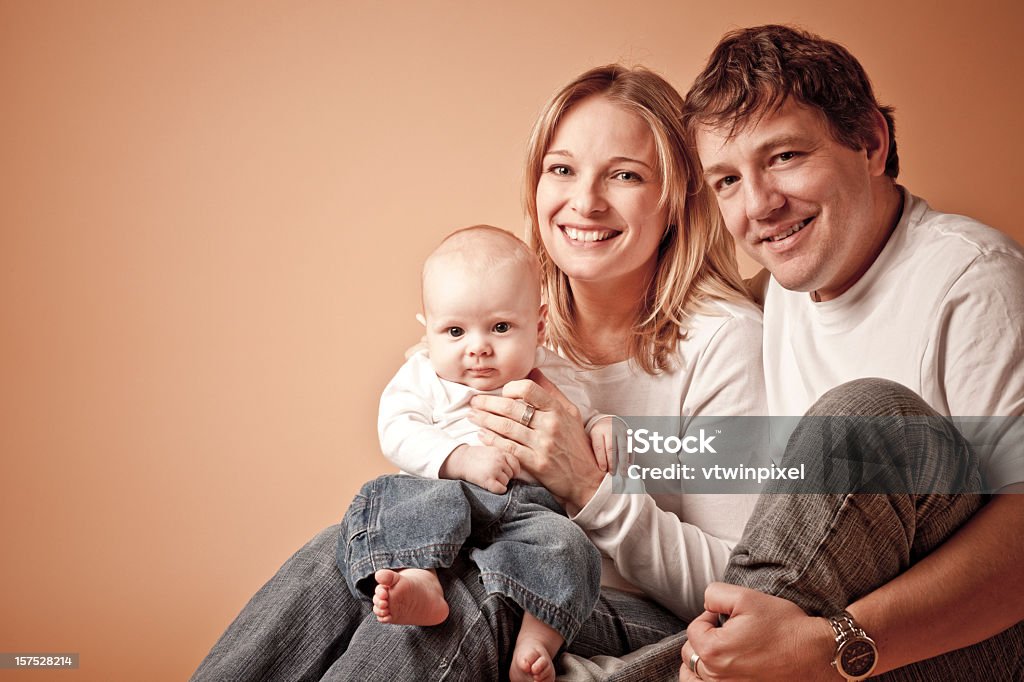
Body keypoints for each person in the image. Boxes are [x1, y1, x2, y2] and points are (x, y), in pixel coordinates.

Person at [191, 64, 766, 682]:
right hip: (503, 558)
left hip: (640, 615)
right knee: (352, 551)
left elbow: (735, 585)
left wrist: (589, 486)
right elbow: (420, 422)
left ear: (674, 196)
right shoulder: (502, 318)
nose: (586, 201)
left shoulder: (721, 341)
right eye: (562, 169)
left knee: (467, 591)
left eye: (625, 175)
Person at [676, 24, 1024, 681]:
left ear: (869, 142)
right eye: (726, 180)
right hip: (833, 619)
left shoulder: (972, 280)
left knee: (866, 420)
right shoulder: (781, 290)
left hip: (977, 636)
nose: (758, 206)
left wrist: (831, 645)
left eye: (783, 157)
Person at [343, 224, 611, 682]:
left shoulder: (553, 375)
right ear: (427, 333)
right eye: (454, 331)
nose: (478, 348)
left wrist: (605, 426)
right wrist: (457, 458)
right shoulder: (423, 375)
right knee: (386, 500)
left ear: (539, 324)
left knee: (571, 548)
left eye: (501, 327)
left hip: (524, 511)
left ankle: (538, 640)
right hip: (441, 495)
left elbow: (583, 417)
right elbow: (396, 431)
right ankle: (420, 578)